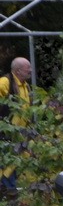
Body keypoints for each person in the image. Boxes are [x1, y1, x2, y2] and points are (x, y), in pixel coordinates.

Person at [1, 57, 33, 194]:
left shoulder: (25, 86)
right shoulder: (5, 82)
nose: (30, 70)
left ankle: (9, 191)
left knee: (12, 162)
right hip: (5, 132)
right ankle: (9, 191)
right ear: (18, 70)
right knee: (7, 162)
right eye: (28, 68)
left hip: (19, 134)